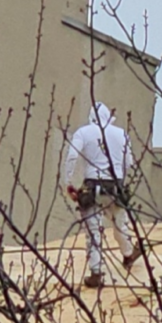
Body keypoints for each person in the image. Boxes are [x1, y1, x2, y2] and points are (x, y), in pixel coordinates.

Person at [62, 102, 140, 287]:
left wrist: (69, 182)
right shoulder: (121, 134)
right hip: (115, 186)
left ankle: (96, 272)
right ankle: (128, 254)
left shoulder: (83, 132)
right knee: (120, 225)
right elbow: (129, 162)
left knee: (93, 232)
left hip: (91, 187)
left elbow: (72, 156)